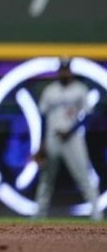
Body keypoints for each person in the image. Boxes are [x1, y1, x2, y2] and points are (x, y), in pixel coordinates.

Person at [33, 57, 103, 220]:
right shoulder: (50, 90)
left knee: (84, 175)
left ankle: (96, 213)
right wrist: (42, 142)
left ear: (71, 71)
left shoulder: (80, 89)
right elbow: (43, 117)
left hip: (73, 138)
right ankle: (39, 213)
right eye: (62, 69)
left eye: (67, 69)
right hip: (53, 136)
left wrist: (71, 130)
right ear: (59, 71)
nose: (65, 72)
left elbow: (87, 115)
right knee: (46, 177)